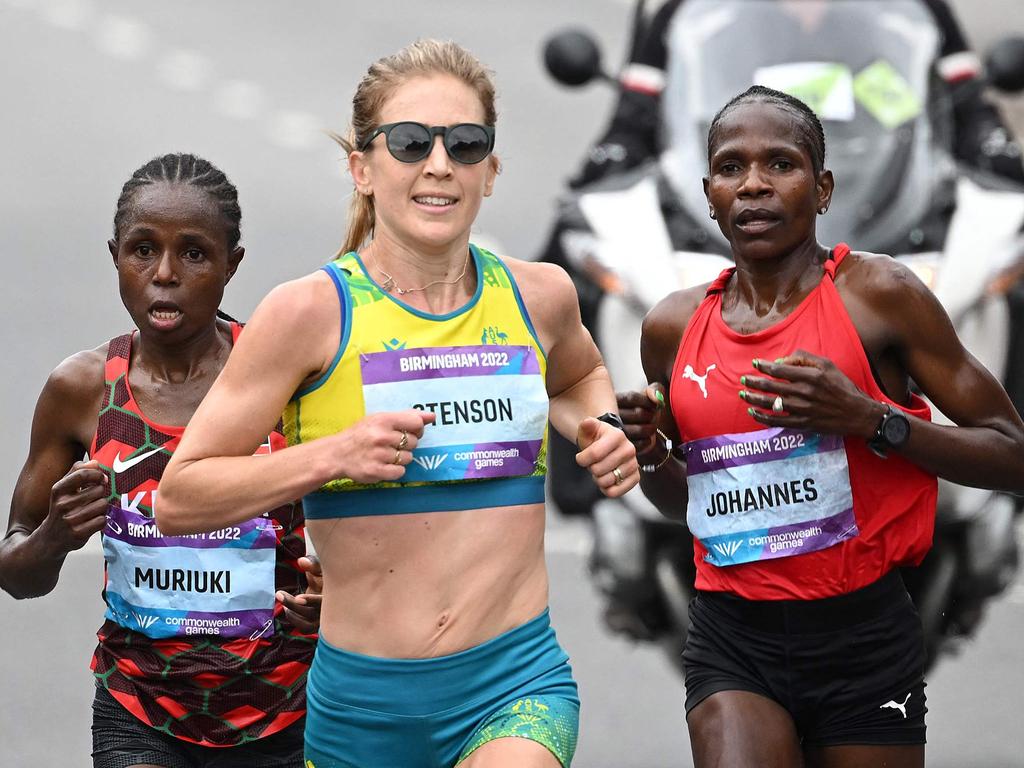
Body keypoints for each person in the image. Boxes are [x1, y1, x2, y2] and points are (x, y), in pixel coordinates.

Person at [154, 40, 639, 768]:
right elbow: (180, 498)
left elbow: (576, 377)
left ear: (492, 171)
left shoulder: (540, 295)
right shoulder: (308, 314)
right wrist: (332, 456)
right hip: (363, 710)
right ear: (363, 168)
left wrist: (597, 428)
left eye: (466, 144)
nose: (440, 164)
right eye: (411, 143)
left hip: (514, 684)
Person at [616, 85, 1024, 768]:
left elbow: (1012, 455)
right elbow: (695, 504)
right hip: (731, 635)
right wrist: (654, 456)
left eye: (780, 164)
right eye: (730, 168)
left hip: (864, 636)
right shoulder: (671, 327)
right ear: (709, 193)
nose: (753, 185)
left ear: (823, 187)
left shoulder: (880, 297)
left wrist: (869, 419)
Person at [0, 153, 322, 768]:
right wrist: (54, 536)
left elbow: (366, 538)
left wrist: (333, 594)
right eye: (143, 250)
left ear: (233, 265)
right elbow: (15, 572)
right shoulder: (83, 389)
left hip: (287, 714)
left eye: (195, 254)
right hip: (139, 711)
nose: (165, 274)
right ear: (115, 257)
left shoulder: (283, 378)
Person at [574, 0, 1024, 187]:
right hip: (728, 214)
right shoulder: (691, 17)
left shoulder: (909, 14)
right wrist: (613, 157)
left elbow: (969, 106)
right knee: (576, 254)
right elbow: (634, 117)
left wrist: (992, 146)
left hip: (884, 204)